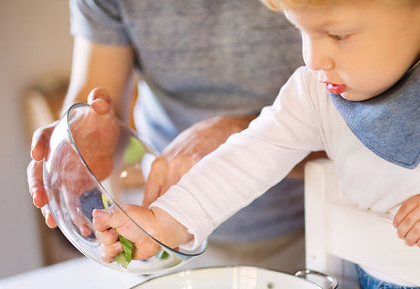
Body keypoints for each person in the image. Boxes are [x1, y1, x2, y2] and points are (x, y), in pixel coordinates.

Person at [91, 0, 420, 288]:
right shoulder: (316, 87)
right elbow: (251, 155)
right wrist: (167, 221)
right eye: (301, 32)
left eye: (337, 35)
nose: (314, 57)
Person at [27, 0, 316, 273]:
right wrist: (78, 149)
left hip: (312, 227)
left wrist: (245, 137)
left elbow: (341, 123)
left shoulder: (315, 79)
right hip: (169, 245)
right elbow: (97, 96)